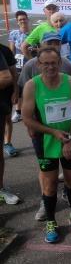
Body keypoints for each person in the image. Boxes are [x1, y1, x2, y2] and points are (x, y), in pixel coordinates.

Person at [21, 46, 71, 242]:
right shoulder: (32, 85)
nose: (50, 67)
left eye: (53, 63)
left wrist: (68, 138)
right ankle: (51, 221)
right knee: (49, 185)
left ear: (59, 63)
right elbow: (26, 118)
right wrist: (53, 132)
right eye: (45, 63)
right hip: (46, 141)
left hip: (70, 137)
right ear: (39, 64)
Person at [0, 43, 19, 205]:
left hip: (3, 100)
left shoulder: (4, 50)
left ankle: (0, 189)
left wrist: (16, 92)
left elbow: (9, 75)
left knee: (8, 120)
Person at [8, 11, 30, 124]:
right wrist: (10, 64)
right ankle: (18, 111)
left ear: (27, 19)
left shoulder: (33, 33)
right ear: (17, 21)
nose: (22, 21)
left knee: (31, 88)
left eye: (24, 19)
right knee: (18, 88)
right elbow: (11, 50)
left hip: (29, 65)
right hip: (17, 65)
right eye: (20, 19)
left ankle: (32, 111)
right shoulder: (13, 34)